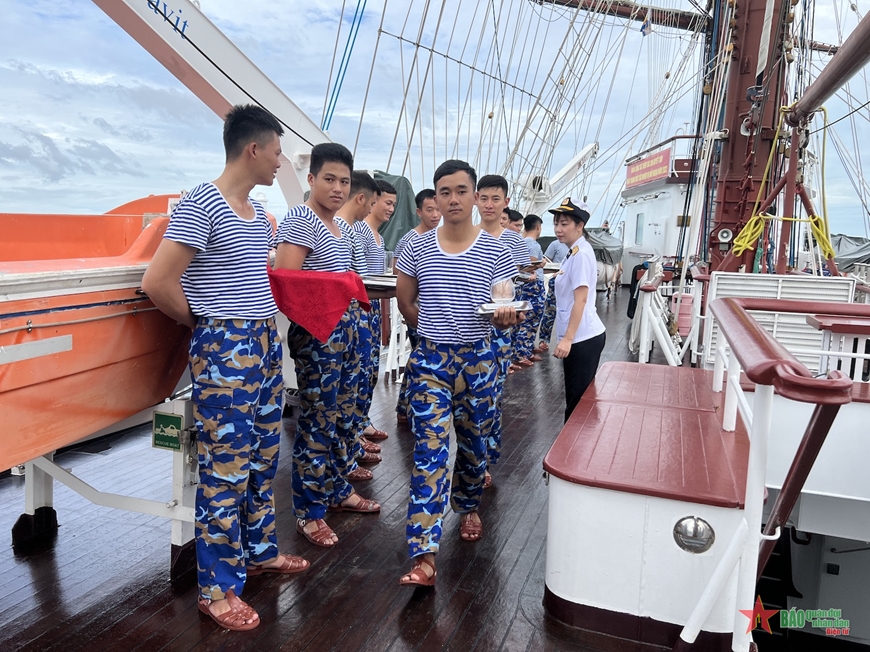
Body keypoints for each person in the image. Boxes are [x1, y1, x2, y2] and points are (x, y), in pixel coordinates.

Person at [142, 104, 308, 632]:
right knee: (225, 469)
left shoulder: (258, 214)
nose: (280, 162)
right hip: (225, 348)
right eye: (277, 152)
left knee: (262, 457)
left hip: (263, 344)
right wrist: (206, 323)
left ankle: (259, 551)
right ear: (253, 149)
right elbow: (157, 282)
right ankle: (216, 590)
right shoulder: (202, 204)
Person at [395, 159, 520, 587]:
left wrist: (505, 318)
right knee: (429, 451)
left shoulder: (497, 251)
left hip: (478, 360)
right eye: (444, 192)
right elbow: (406, 302)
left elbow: (504, 302)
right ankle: (424, 554)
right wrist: (433, 332)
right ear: (435, 197)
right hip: (431, 361)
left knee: (472, 444)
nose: (453, 199)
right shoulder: (416, 248)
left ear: (475, 197)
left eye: (461, 191)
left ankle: (467, 504)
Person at [274, 142, 380, 550]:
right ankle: (309, 510)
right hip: (320, 337)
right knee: (319, 421)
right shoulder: (301, 219)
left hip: (348, 331)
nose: (338, 188)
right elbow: (286, 282)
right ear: (311, 179)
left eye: (344, 182)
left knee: (344, 417)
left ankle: (336, 488)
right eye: (330, 179)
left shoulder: (340, 228)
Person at [476, 176, 528, 489]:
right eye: (484, 198)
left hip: (499, 331)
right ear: (475, 200)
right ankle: (469, 459)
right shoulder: (467, 237)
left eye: (496, 199)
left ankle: (482, 461)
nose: (489, 205)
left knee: (491, 396)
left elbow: (514, 286)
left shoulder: (514, 243)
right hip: (469, 329)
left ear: (505, 202)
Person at [334, 171, 383, 481]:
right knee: (343, 396)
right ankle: (344, 458)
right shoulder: (345, 230)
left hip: (357, 318)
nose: (372, 209)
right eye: (374, 203)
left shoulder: (347, 230)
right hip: (345, 323)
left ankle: (350, 448)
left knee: (356, 387)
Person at [550, 198, 607, 421]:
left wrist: (567, 340)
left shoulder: (580, 255)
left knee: (577, 403)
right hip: (580, 336)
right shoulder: (574, 251)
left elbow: (580, 300)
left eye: (564, 224)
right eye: (556, 223)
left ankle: (575, 443)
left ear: (580, 225)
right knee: (577, 400)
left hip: (582, 339)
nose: (558, 229)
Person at [353, 179, 397, 443]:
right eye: (387, 203)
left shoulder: (378, 236)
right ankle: (356, 428)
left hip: (374, 305)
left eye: (393, 204)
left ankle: (362, 420)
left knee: (370, 369)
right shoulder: (361, 231)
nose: (390, 208)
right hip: (362, 306)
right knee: (360, 369)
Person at [393, 188, 442, 423]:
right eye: (430, 210)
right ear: (419, 212)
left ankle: (405, 407)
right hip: (418, 311)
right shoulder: (410, 240)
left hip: (435, 312)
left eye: (438, 209)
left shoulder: (440, 239)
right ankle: (411, 409)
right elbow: (398, 274)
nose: (435, 215)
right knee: (421, 358)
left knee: (418, 358)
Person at [513, 214, 546, 364]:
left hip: (523, 285)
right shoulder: (533, 245)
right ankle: (522, 353)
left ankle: (526, 349)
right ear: (538, 227)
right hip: (533, 286)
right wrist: (540, 264)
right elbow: (529, 265)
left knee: (526, 318)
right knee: (531, 319)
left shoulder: (519, 242)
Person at [538, 237, 570, 351]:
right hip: (556, 281)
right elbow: (546, 262)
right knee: (550, 312)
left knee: (569, 312)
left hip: (571, 284)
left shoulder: (579, 247)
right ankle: (543, 339)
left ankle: (567, 339)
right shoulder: (555, 244)